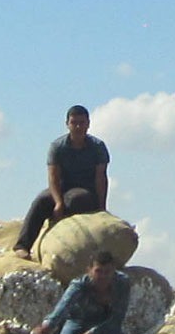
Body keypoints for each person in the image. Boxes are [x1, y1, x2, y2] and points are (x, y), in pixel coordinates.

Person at [12, 104, 110, 259]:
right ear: (67, 124)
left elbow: (101, 178)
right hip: (62, 187)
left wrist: (102, 207)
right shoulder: (58, 147)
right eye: (74, 123)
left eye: (82, 123)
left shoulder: (98, 147)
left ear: (88, 124)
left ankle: (71, 242)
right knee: (41, 200)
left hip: (85, 189)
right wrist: (58, 202)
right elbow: (53, 177)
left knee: (76, 199)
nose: (78, 127)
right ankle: (23, 245)